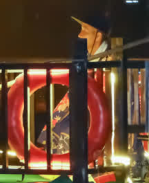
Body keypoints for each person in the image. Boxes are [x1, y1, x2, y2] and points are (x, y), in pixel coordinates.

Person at [38, 15, 108, 155]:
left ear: (98, 36)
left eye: (85, 30)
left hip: (96, 115)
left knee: (68, 125)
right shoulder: (90, 59)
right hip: (85, 108)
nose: (79, 35)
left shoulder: (107, 61)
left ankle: (65, 155)